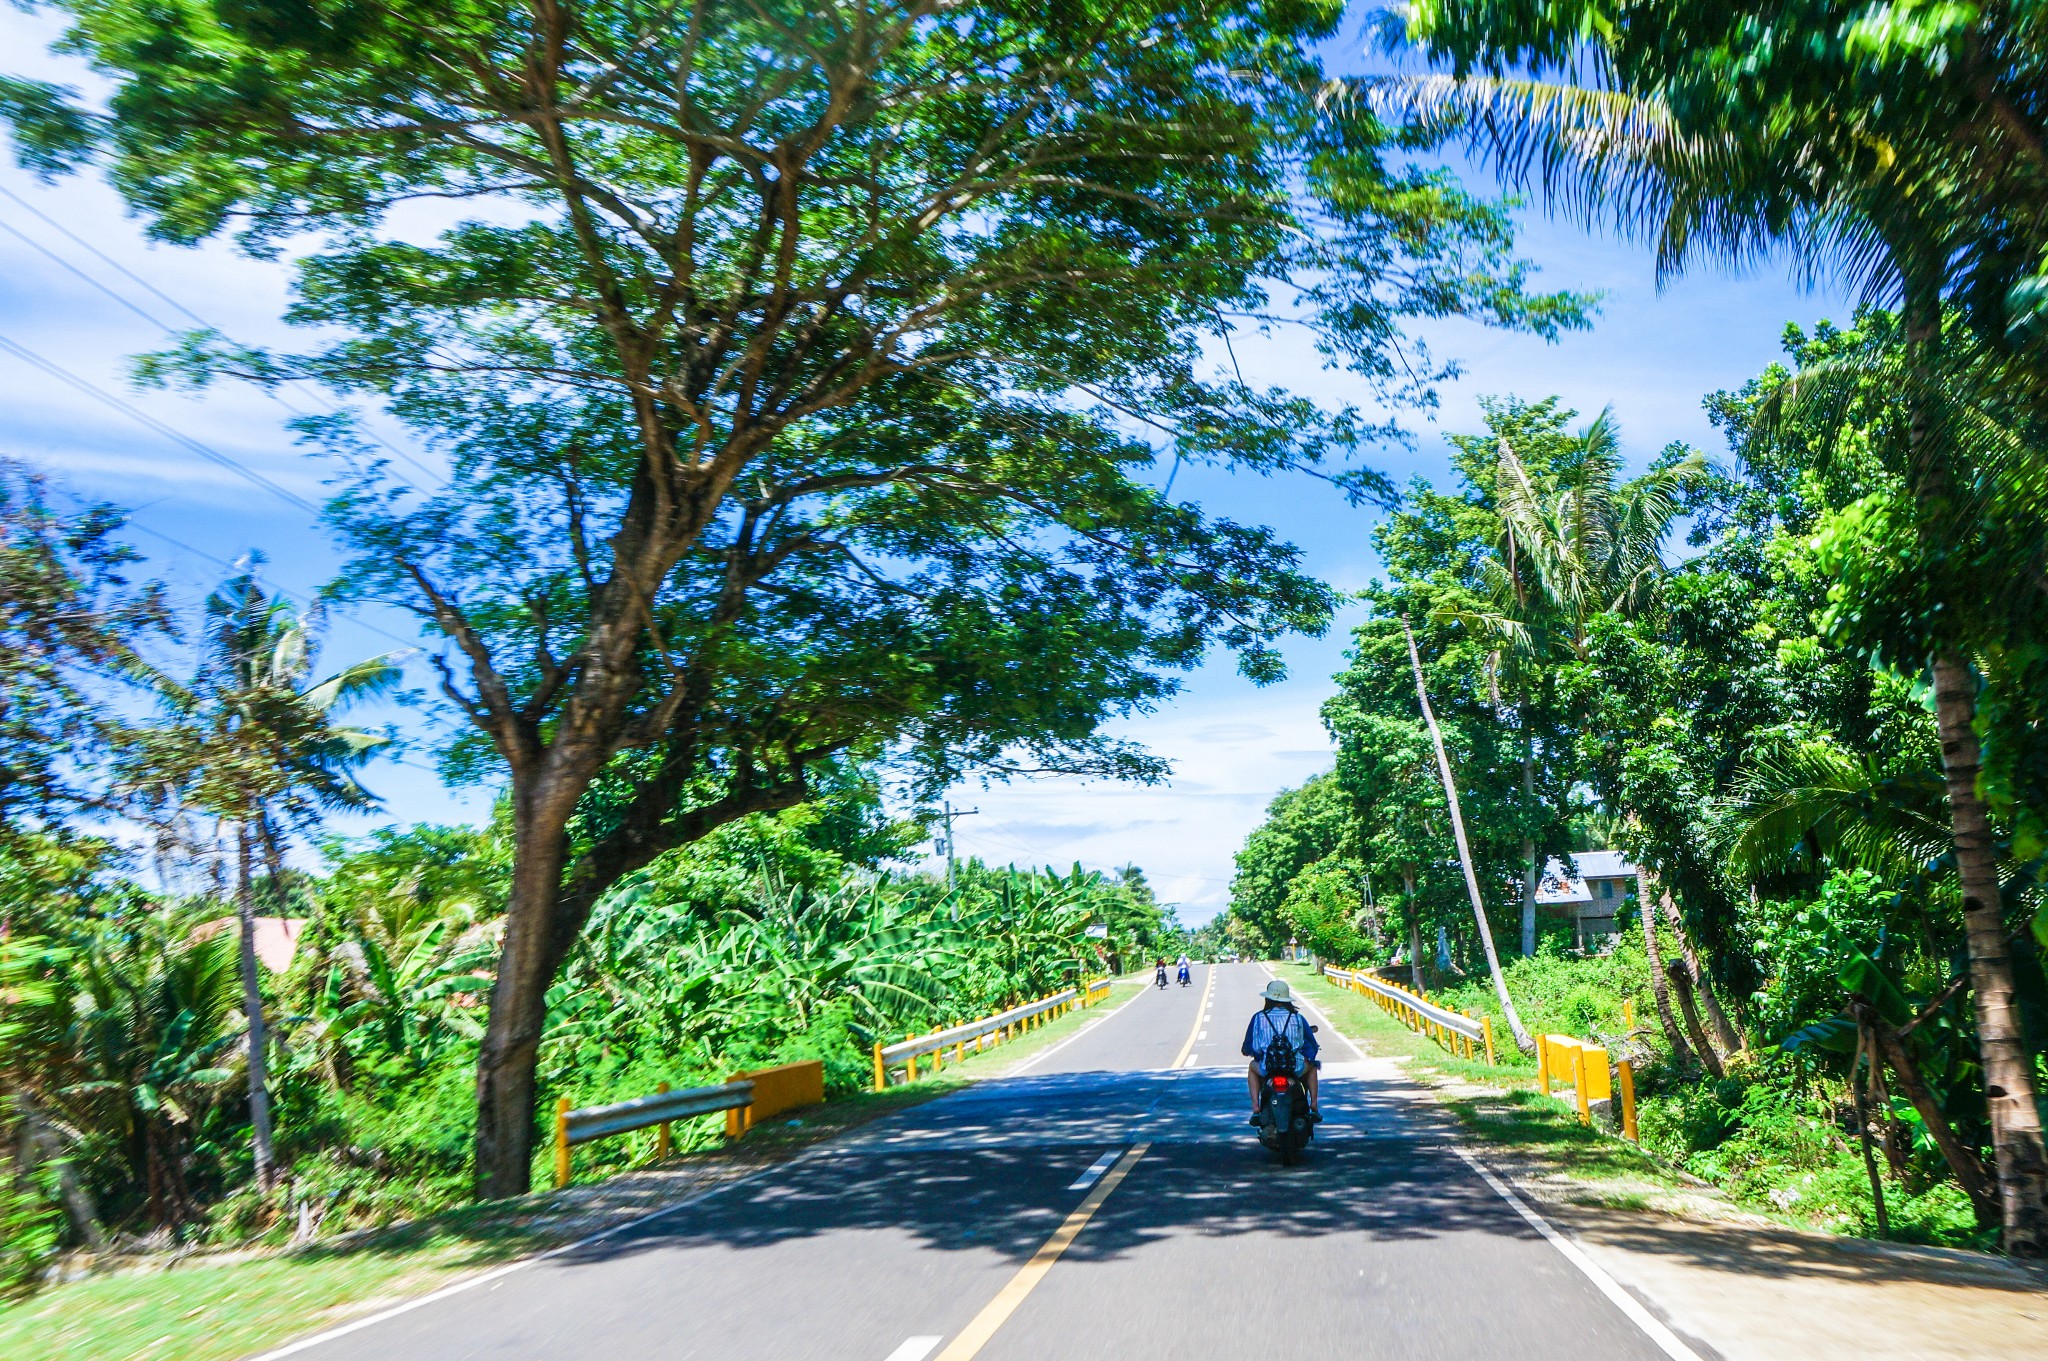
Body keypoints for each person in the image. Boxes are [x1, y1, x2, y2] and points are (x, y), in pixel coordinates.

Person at [1242, 978, 1319, 1116]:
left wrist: (1257, 1054)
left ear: (1268, 998)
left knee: (1252, 1068)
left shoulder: (1259, 1018)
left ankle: (1255, 1106)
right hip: (1295, 1067)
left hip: (1268, 1067)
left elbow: (1250, 1046)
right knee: (1313, 1067)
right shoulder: (1297, 1018)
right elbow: (1310, 1044)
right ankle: (1313, 1103)